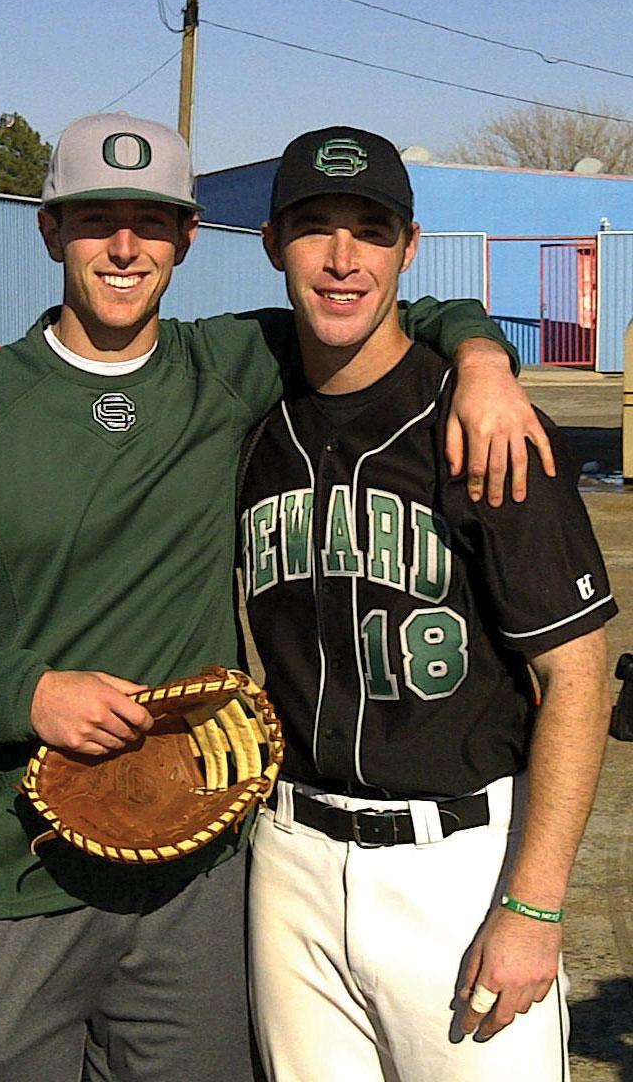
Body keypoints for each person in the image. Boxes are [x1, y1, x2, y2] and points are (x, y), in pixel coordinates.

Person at [0, 113, 546, 1082]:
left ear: (183, 238)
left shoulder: (227, 364)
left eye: (149, 220)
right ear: (51, 231)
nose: (123, 245)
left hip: (199, 870)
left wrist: (479, 355)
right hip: (15, 859)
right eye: (95, 219)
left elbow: (372, 303)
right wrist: (26, 693)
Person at [238, 126, 617, 1082]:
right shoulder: (243, 412)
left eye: (372, 229)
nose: (342, 257)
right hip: (287, 860)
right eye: (315, 227)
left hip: (458, 865)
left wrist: (531, 909)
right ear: (272, 240)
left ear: (410, 248)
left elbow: (577, 677)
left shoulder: (484, 425)